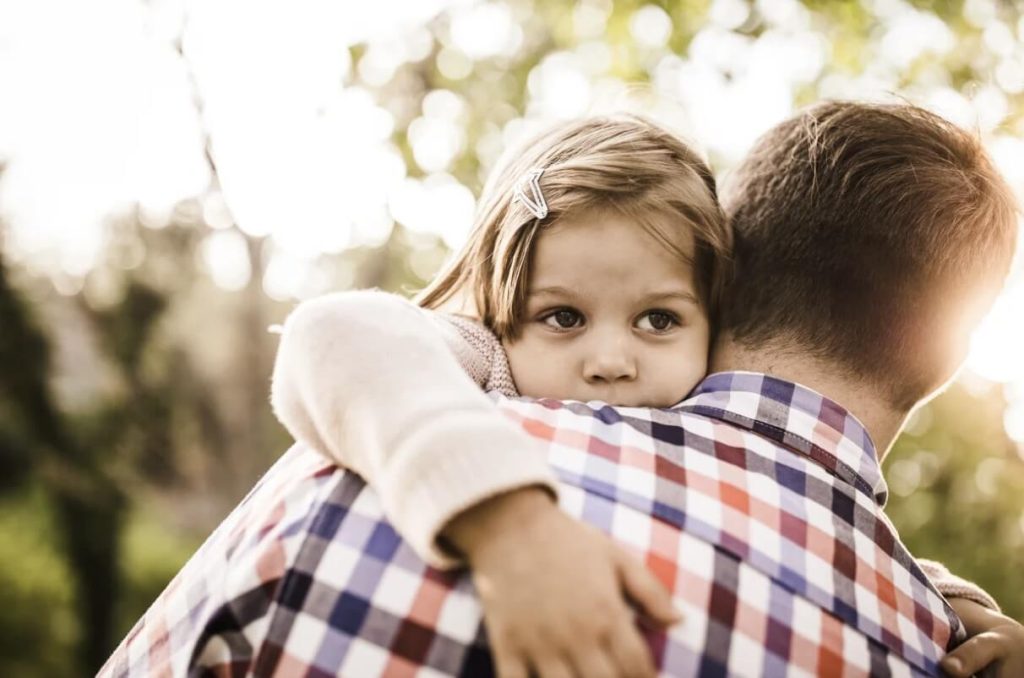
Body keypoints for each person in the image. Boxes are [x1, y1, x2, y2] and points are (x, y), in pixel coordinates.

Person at [100, 102, 1023, 677]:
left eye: (657, 319)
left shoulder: (926, 615)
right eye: (563, 317)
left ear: (721, 295)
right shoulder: (468, 380)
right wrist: (510, 525)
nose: (609, 361)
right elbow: (337, 333)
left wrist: (952, 602)